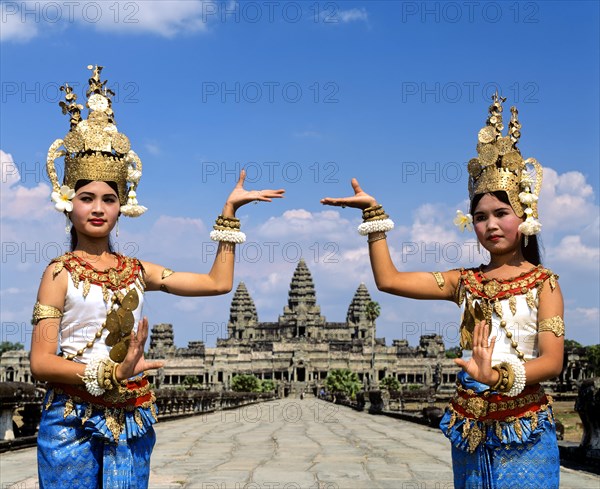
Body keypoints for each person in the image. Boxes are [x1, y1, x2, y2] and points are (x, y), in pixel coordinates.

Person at [30, 65, 284, 488]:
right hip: (71, 422)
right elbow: (41, 363)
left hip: (131, 418)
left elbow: (217, 283)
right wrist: (111, 372)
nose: (98, 208)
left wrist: (229, 215)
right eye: (86, 197)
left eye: (109, 199)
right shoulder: (58, 272)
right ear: (67, 202)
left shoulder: (138, 271)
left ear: (122, 205)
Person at [321, 94, 564, 488]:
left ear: (525, 215)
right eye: (480, 217)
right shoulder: (463, 281)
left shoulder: (544, 282)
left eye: (502, 213)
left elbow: (552, 363)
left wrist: (497, 374)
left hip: (524, 427)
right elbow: (389, 280)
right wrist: (374, 217)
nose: (491, 225)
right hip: (471, 424)